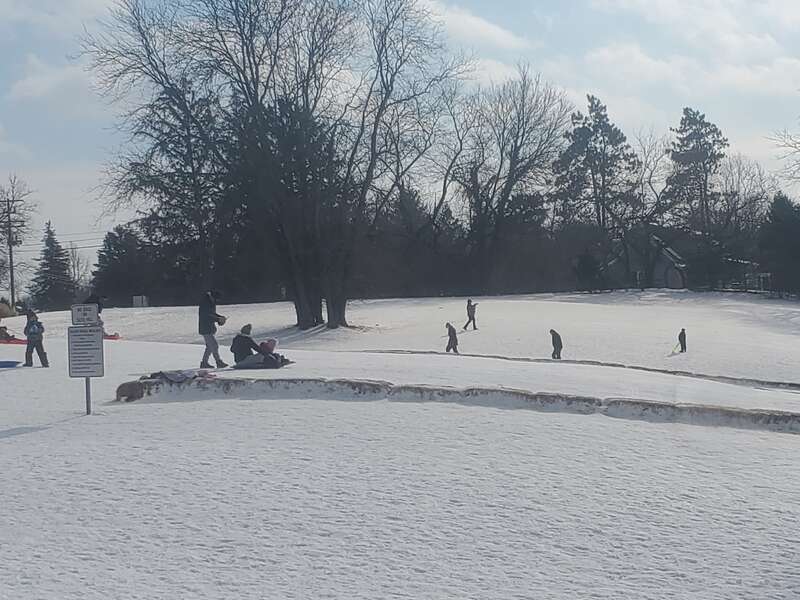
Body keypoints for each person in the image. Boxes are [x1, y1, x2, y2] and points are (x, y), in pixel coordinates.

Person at [198, 290, 228, 368]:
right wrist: (218, 319)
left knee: (210, 346)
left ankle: (204, 363)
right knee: (214, 345)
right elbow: (207, 315)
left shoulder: (209, 301)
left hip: (208, 328)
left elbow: (211, 313)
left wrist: (219, 317)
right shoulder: (206, 302)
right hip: (205, 328)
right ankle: (218, 361)